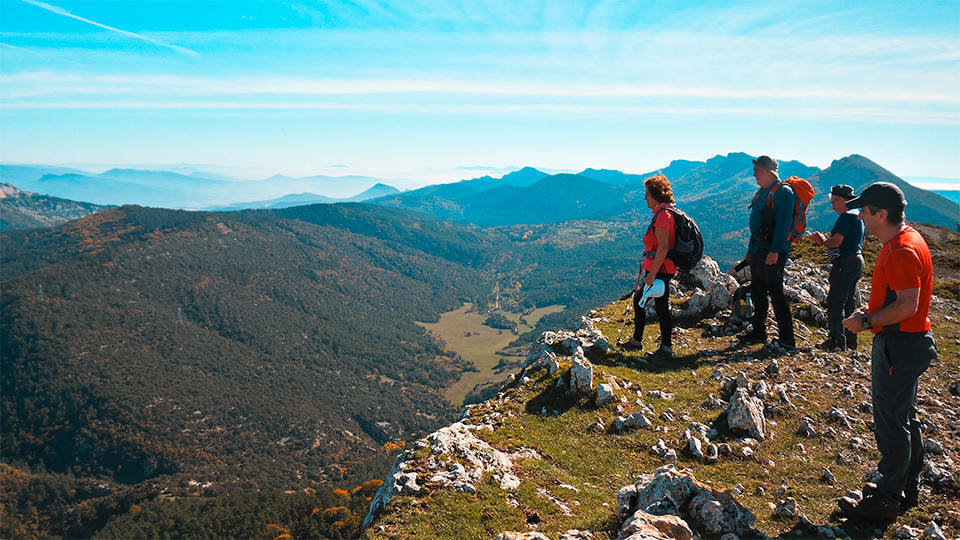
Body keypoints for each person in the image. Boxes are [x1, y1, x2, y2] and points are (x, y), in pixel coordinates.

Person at [837, 182, 937, 520]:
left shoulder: (901, 251)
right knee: (903, 415)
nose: (861, 216)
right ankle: (905, 486)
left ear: (882, 214)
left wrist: (865, 323)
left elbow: (907, 306)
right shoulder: (905, 241)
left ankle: (887, 499)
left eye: (865, 211)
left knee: (891, 421)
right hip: (906, 342)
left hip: (899, 344)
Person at [737, 155, 796, 350]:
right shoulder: (763, 193)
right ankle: (758, 332)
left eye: (757, 170)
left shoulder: (784, 192)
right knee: (758, 291)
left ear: (768, 170)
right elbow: (757, 225)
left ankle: (787, 339)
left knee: (776, 293)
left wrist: (775, 251)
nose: (754, 174)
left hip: (773, 252)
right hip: (760, 251)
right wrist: (750, 251)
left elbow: (784, 225)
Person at [622, 173, 676, 359]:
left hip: (660, 270)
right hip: (661, 268)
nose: (645, 198)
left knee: (644, 303)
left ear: (656, 195)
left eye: (647, 194)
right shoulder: (665, 213)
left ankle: (659, 347)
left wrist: (651, 274)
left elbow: (663, 248)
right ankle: (658, 345)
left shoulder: (663, 216)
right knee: (657, 306)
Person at [810, 185, 865, 351]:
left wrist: (822, 241)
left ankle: (836, 341)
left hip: (845, 262)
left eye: (835, 201)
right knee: (849, 301)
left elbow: (836, 242)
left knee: (835, 301)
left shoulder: (846, 216)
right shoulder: (858, 215)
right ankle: (850, 341)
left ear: (843, 200)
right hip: (857, 260)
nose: (833, 205)